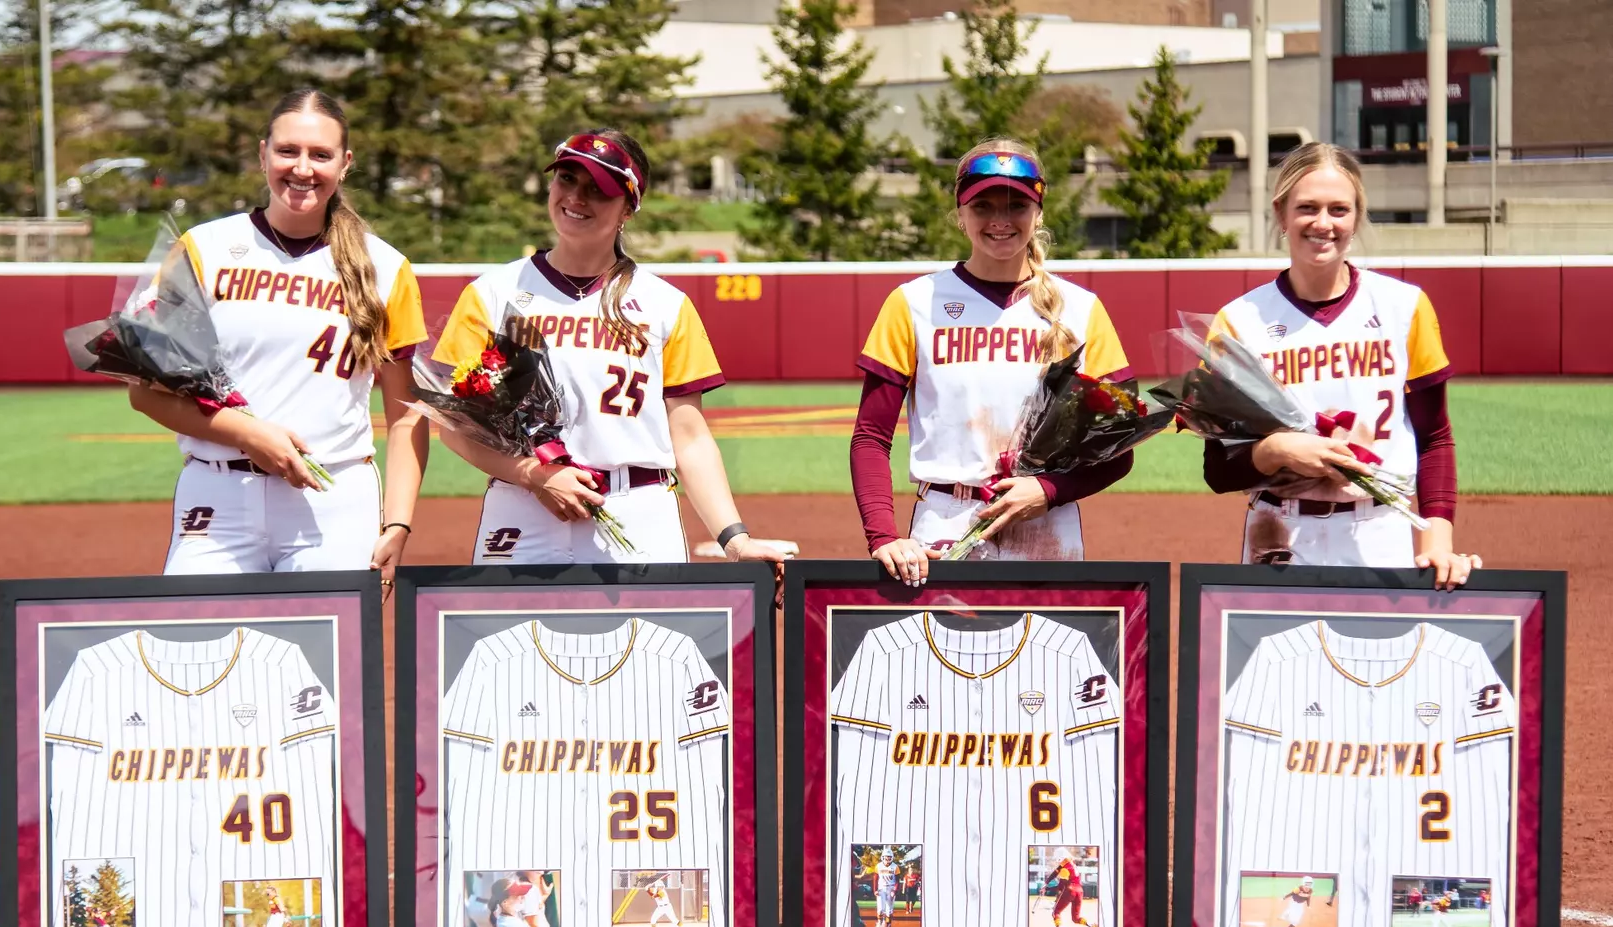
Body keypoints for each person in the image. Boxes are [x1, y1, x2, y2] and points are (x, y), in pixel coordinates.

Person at [431, 129, 783, 569]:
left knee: (651, 638)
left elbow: (690, 438)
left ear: (628, 208)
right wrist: (535, 474)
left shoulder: (664, 304)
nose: (577, 198)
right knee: (508, 637)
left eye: (599, 189)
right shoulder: (495, 294)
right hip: (522, 505)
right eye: (566, 179)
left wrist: (735, 539)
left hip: (637, 509)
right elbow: (456, 427)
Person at [126, 88, 429, 587]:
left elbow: (404, 417)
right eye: (288, 151)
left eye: (320, 154)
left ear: (345, 163)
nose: (303, 168)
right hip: (218, 491)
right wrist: (248, 434)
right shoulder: (204, 247)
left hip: (332, 497)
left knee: (326, 662)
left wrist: (396, 521)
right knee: (194, 656)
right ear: (262, 152)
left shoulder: (386, 267)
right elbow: (143, 393)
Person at [849, 137, 1136, 587]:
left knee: (1047, 656)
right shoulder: (913, 302)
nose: (1000, 220)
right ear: (960, 214)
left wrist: (1048, 490)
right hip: (942, 525)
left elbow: (1118, 450)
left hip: (1046, 524)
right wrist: (883, 536)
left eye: (1016, 205)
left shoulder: (1080, 310)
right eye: (983, 205)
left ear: (1038, 212)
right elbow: (870, 436)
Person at [1200, 142, 1479, 588]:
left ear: (1357, 215)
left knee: (1380, 656)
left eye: (1339, 209)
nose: (1323, 223)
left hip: (1380, 528)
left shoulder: (1403, 307)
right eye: (1307, 207)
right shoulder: (1239, 321)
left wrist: (1436, 539)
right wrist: (1275, 451)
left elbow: (1435, 438)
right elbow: (1218, 469)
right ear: (1281, 213)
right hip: (1279, 534)